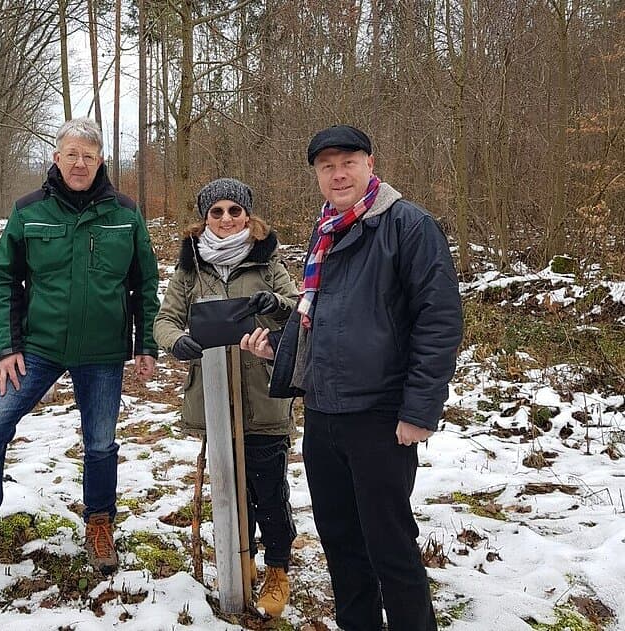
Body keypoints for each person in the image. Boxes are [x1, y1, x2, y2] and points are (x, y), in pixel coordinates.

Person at [240, 125, 463, 630]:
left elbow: (440, 319)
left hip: (381, 417)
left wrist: (419, 410)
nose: (338, 174)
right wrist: (277, 351)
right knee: (341, 542)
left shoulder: (408, 226)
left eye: (348, 162)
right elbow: (325, 325)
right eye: (327, 166)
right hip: (324, 415)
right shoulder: (326, 232)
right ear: (317, 175)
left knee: (390, 547)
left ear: (369, 163)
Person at [0, 118, 160, 592]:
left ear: (102, 161)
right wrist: (6, 347)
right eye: (72, 153)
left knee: (100, 443)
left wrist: (145, 345)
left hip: (101, 353)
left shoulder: (125, 213)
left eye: (90, 155)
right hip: (35, 349)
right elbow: (4, 282)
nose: (80, 163)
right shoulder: (28, 212)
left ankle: (99, 524)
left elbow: (145, 283)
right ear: (56, 158)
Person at [154, 178, 299, 618]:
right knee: (229, 489)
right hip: (213, 396)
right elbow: (165, 319)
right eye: (216, 212)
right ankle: (241, 560)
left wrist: (271, 302)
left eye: (234, 211)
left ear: (248, 217)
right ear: (204, 219)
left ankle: (278, 568)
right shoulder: (190, 269)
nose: (225, 219)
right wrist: (176, 341)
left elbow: (298, 309)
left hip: (263, 394)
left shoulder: (268, 261)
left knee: (268, 487)